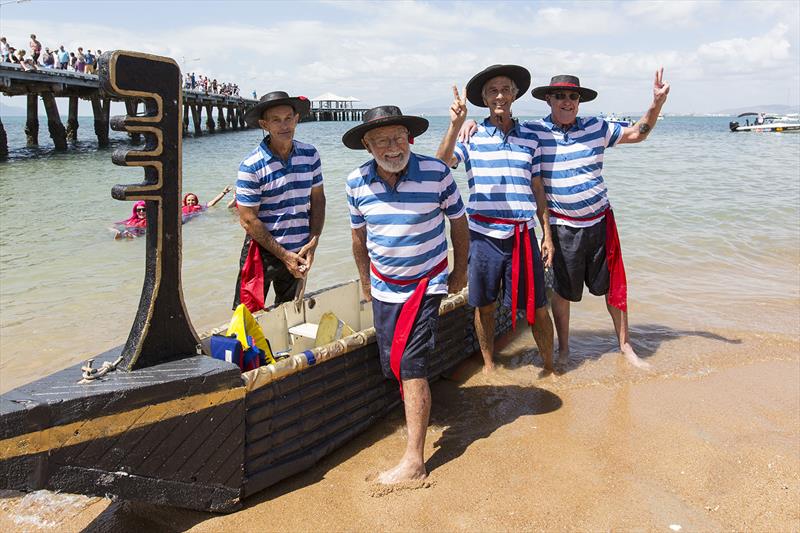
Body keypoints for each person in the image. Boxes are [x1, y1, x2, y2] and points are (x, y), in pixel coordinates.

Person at [462, 70, 670, 369]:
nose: (567, 101)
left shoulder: (597, 127)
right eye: (559, 96)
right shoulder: (534, 132)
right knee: (562, 291)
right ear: (548, 100)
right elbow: (503, 126)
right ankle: (563, 351)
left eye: (573, 96)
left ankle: (625, 346)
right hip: (561, 224)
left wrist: (656, 102)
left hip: (600, 220)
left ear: (579, 101)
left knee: (614, 286)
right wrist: (469, 123)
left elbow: (638, 133)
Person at [343, 105, 468, 484]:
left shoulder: (437, 173)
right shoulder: (355, 183)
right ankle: (419, 418)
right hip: (384, 288)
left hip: (427, 284)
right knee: (394, 365)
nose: (393, 147)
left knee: (411, 364)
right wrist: (365, 284)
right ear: (367, 145)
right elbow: (358, 239)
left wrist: (459, 272)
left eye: (399, 137)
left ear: (409, 138)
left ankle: (415, 461)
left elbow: (459, 225)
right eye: (382, 140)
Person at [436, 64, 554, 374]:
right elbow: (442, 164)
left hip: (522, 235)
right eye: (492, 91)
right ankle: (489, 366)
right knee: (484, 306)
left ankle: (551, 366)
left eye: (505, 89)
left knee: (539, 308)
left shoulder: (532, 136)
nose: (499, 95)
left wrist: (547, 235)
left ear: (515, 94)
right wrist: (455, 124)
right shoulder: (471, 135)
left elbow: (538, 187)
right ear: (485, 98)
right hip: (483, 235)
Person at [233, 91, 325, 312]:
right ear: (265, 124)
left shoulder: (310, 155)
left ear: (296, 119)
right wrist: (284, 256)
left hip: (300, 249)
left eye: (288, 118)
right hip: (262, 252)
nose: (284, 125)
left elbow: (318, 200)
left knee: (291, 313)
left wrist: (313, 240)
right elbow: (248, 220)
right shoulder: (251, 165)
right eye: (276, 120)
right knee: (247, 315)